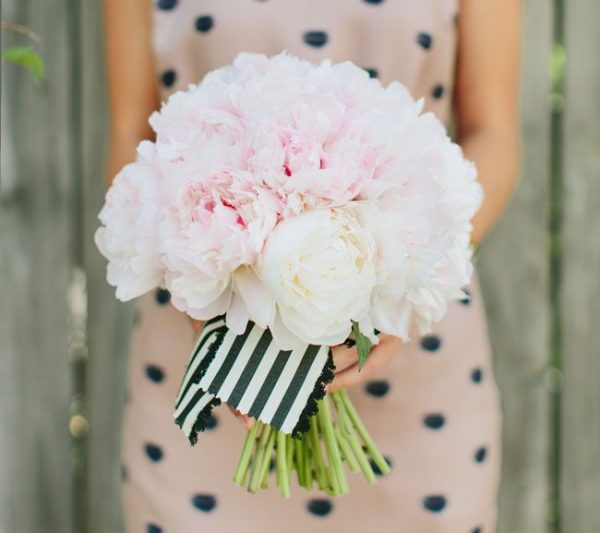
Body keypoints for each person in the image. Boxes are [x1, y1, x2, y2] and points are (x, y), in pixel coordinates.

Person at [103, 1, 520, 531]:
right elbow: (129, 136)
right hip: (207, 352)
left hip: (415, 353)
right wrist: (212, 294)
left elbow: (495, 134)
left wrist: (398, 287)